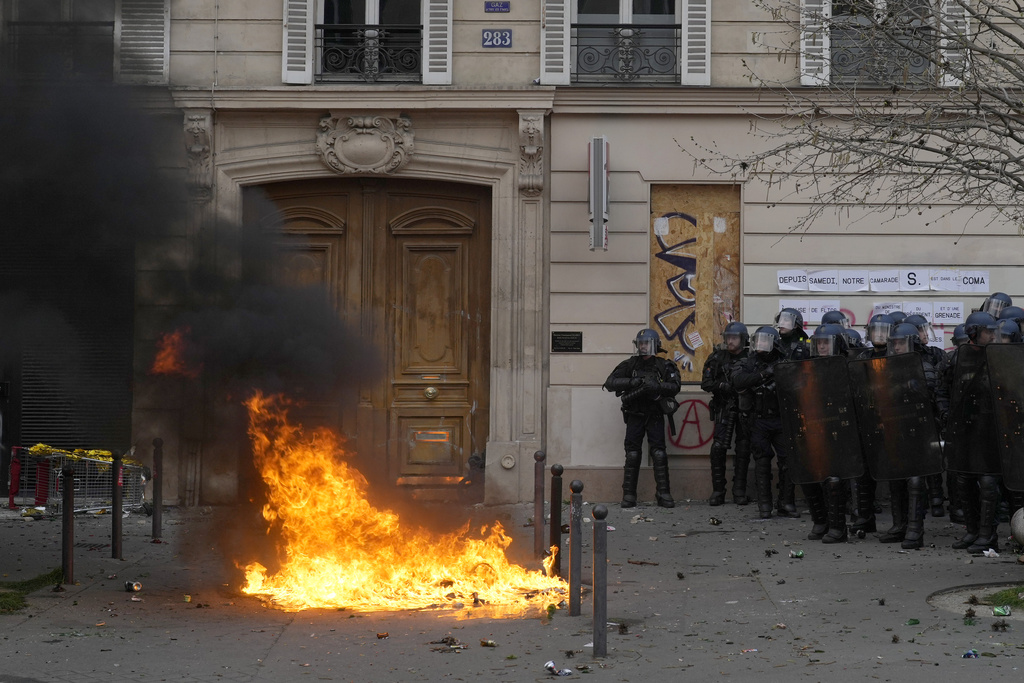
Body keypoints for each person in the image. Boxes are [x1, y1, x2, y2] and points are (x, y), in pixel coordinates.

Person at [878, 323, 948, 549]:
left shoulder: (924, 367)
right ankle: (899, 526)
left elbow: (928, 402)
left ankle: (915, 530)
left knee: (916, 481)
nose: (896, 348)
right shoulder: (886, 369)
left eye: (901, 343)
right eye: (894, 343)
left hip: (918, 432)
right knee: (896, 479)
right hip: (894, 430)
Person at [603, 328, 681, 508]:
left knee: (659, 453)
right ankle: (629, 495)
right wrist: (632, 383)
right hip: (634, 415)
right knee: (632, 454)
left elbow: (675, 386)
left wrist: (657, 387)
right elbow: (610, 383)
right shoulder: (629, 365)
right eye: (641, 343)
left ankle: (663, 493)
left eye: (646, 343)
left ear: (655, 345)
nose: (643, 347)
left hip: (654, 414)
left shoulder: (664, 365)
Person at [944, 311, 1001, 552]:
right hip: (965, 428)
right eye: (989, 332)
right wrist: (946, 414)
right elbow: (943, 389)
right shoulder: (957, 359)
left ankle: (988, 535)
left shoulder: (1000, 357)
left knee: (987, 481)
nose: (993, 336)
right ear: (974, 334)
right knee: (963, 479)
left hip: (990, 429)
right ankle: (972, 530)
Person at [732, 326, 795, 519]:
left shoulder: (783, 362)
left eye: (765, 341)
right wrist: (763, 374)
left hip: (780, 419)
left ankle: (785, 503)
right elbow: (738, 380)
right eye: (757, 341)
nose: (760, 345)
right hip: (758, 420)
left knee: (787, 462)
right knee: (762, 462)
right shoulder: (748, 362)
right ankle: (765, 505)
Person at [801, 323, 853, 543]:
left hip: (840, 430)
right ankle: (820, 521)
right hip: (815, 428)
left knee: (833, 479)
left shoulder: (847, 366)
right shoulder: (808, 367)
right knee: (810, 475)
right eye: (819, 343)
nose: (821, 347)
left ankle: (838, 527)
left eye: (826, 343)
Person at [849, 313, 895, 534]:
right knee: (863, 474)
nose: (878, 335)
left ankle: (900, 522)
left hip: (892, 421)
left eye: (883, 330)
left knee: (897, 473)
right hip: (868, 420)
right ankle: (864, 517)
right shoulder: (862, 356)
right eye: (875, 330)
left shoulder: (897, 356)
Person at [700, 322, 752, 506]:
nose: (730, 341)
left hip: (746, 409)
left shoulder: (750, 357)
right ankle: (718, 491)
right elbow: (706, 383)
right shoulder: (717, 358)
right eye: (728, 337)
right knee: (718, 448)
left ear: (743, 339)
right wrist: (723, 386)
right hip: (724, 407)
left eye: (734, 338)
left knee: (744, 449)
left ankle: (739, 491)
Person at [904, 314, 948, 518]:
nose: (924, 334)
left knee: (934, 456)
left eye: (925, 329)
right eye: (920, 330)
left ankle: (937, 498)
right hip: (911, 413)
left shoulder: (936, 354)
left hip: (931, 411)